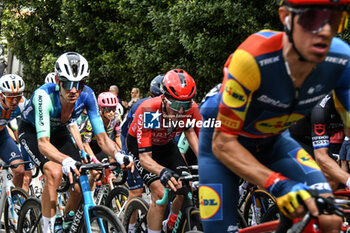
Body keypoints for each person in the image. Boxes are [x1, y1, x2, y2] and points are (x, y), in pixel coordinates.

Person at [198, 0, 350, 232]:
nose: (326, 31)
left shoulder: (341, 60)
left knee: (329, 218)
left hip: (273, 140)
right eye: (313, 20)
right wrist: (278, 185)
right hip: (222, 143)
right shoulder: (253, 58)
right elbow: (222, 144)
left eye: (336, 20)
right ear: (286, 17)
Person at [18, 52, 134, 233]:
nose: (74, 90)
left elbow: (102, 138)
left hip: (59, 132)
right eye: (68, 84)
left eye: (79, 84)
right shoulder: (44, 95)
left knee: (83, 179)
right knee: (54, 172)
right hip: (33, 132)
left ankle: (66, 223)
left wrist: (119, 155)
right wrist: (64, 160)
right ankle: (47, 229)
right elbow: (43, 143)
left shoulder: (87, 95)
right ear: (58, 80)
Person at [127, 69, 200, 233]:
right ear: (163, 98)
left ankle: (170, 224)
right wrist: (162, 171)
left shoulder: (190, 108)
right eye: (175, 105)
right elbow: (145, 158)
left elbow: (191, 134)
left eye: (185, 105)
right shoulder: (150, 110)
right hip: (141, 147)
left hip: (166, 144)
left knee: (185, 186)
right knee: (160, 192)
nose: (181, 111)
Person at [120, 74, 164, 233]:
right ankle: (130, 228)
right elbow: (135, 138)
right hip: (131, 143)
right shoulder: (147, 108)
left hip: (150, 143)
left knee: (161, 191)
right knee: (137, 191)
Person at [289, 93, 346, 191]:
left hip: (316, 142)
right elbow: (320, 157)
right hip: (298, 140)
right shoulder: (321, 108)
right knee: (329, 178)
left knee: (340, 189)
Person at [0, 74, 32, 190]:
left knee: (20, 170)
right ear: (1, 95)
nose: (14, 101)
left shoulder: (23, 103)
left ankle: (15, 203)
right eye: (10, 98)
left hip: (2, 135)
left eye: (17, 97)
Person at [80, 92, 122, 161]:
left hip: (103, 143)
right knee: (96, 169)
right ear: (101, 109)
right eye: (108, 109)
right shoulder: (92, 121)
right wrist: (95, 161)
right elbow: (85, 144)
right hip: (88, 144)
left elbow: (117, 137)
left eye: (114, 109)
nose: (111, 112)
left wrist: (122, 153)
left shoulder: (117, 118)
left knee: (115, 159)